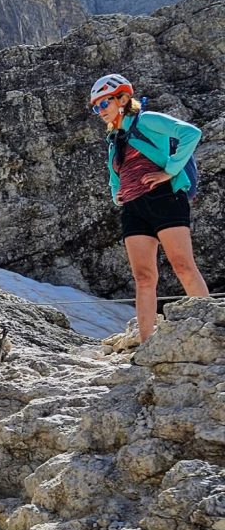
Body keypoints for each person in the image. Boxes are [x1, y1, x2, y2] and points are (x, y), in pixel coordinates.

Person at [90, 73, 207, 342]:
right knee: (143, 277)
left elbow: (191, 133)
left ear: (122, 97)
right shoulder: (114, 139)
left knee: (183, 266)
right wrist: (115, 194)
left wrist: (169, 171)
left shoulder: (147, 120)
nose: (100, 111)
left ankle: (210, 327)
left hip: (165, 197)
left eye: (103, 104)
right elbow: (114, 176)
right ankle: (146, 345)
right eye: (96, 107)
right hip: (133, 208)